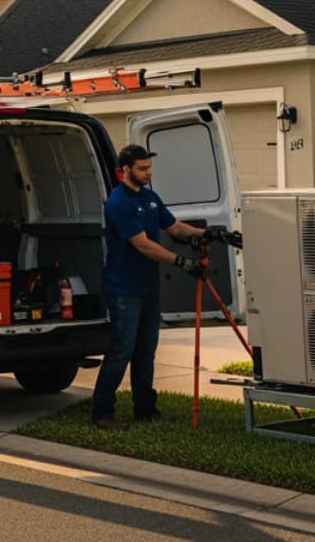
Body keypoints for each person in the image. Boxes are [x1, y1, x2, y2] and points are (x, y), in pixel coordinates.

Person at [90, 143, 209, 430]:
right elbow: (143, 245)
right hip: (124, 289)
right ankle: (102, 412)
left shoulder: (150, 198)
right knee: (122, 350)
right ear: (125, 170)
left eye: (149, 168)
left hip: (148, 288)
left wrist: (209, 234)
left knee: (146, 351)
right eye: (142, 169)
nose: (147, 173)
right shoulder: (118, 203)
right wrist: (182, 263)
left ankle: (146, 409)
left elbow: (175, 228)